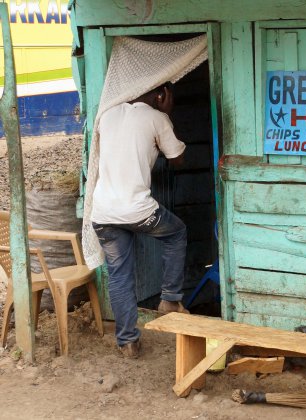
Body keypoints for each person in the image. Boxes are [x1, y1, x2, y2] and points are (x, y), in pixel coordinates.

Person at [91, 82, 188, 358]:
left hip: (104, 214)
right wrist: (167, 114)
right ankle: (170, 300)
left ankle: (127, 342)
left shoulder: (107, 114)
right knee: (176, 233)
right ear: (161, 95)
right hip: (137, 211)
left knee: (119, 275)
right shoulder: (157, 118)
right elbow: (178, 158)